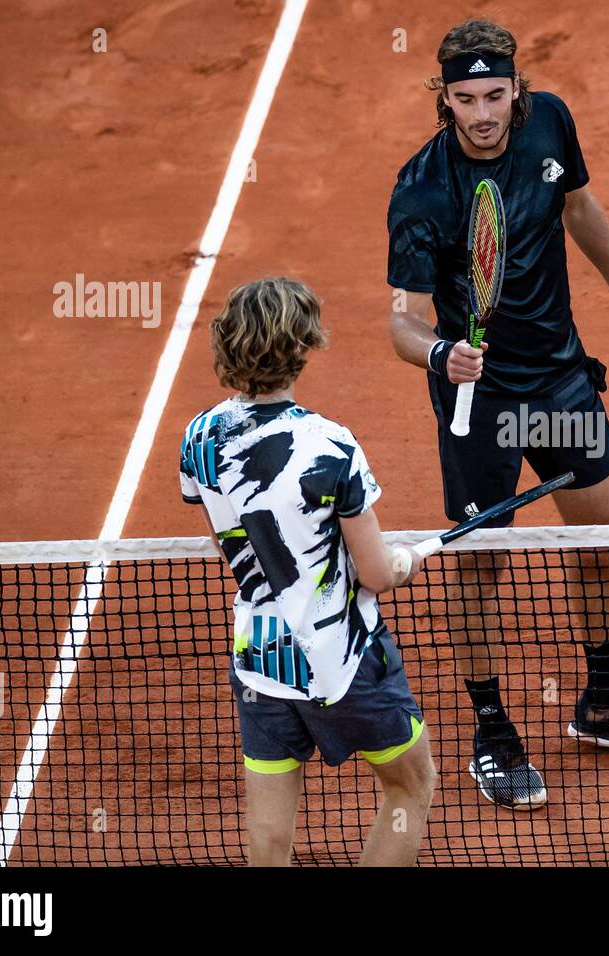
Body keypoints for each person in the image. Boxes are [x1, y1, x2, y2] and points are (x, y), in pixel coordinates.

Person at [386, 19, 609, 811]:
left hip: (561, 384)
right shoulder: (423, 188)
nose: (484, 112)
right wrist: (439, 355)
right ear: (445, 98)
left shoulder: (552, 120)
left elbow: (581, 207)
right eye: (466, 98)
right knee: (481, 564)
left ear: (517, 88)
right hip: (480, 403)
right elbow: (404, 321)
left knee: (600, 538)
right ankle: (492, 730)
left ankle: (602, 700)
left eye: (496, 94)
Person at [180, 276, 435, 864]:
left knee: (269, 838)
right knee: (411, 784)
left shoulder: (198, 439)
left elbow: (235, 549)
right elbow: (375, 573)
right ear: (302, 346)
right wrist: (407, 561)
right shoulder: (330, 446)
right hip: (343, 663)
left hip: (259, 663)